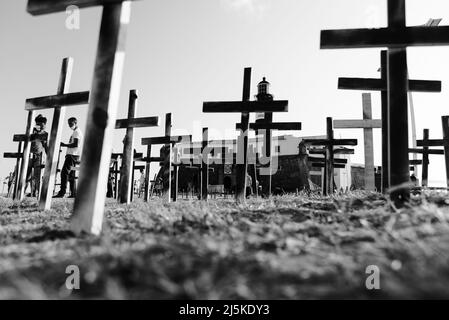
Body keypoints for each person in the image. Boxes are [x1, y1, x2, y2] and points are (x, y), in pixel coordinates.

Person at [53, 117, 83, 198]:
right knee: (71, 175)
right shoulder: (75, 132)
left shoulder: (76, 132)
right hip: (74, 155)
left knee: (64, 173)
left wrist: (64, 145)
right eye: (69, 124)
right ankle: (73, 193)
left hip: (72, 155)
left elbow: (75, 144)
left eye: (71, 123)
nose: (69, 125)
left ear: (75, 123)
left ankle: (62, 192)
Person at [26, 114, 48, 197]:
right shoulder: (32, 133)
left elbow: (46, 146)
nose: (40, 126)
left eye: (42, 125)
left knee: (37, 177)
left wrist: (49, 157)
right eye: (38, 124)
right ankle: (23, 194)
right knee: (26, 176)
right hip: (29, 155)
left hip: (39, 156)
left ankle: (39, 195)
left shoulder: (45, 134)